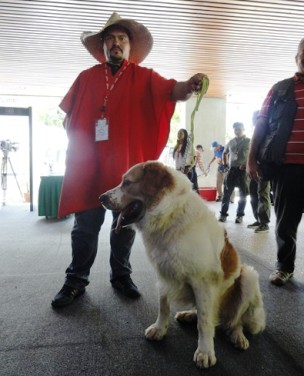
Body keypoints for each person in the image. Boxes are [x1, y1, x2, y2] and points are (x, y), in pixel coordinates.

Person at [51, 12, 207, 308]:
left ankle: (121, 276)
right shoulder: (86, 77)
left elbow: (173, 90)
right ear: (103, 46)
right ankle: (75, 280)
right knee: (85, 226)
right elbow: (68, 117)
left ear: (129, 45)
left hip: (125, 170)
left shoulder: (145, 76)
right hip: (89, 168)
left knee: (123, 226)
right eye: (110, 38)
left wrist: (190, 85)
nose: (116, 43)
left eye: (121, 38)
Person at [247, 38, 304, 286]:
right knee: (285, 221)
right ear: (297, 58)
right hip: (287, 166)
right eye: (303, 52)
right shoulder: (280, 89)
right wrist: (251, 159)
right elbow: (261, 124)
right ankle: (284, 267)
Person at [218, 122, 250, 224]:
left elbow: (253, 155)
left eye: (239, 129)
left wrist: (246, 165)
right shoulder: (231, 142)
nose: (237, 131)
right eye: (235, 129)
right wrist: (225, 164)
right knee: (226, 194)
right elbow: (224, 153)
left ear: (243, 129)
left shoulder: (249, 141)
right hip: (231, 171)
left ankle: (239, 216)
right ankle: (223, 214)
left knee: (242, 195)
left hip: (243, 171)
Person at [247, 111, 271, 234]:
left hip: (264, 166)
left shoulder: (268, 132)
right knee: (253, 193)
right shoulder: (255, 134)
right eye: (254, 118)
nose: (255, 120)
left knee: (263, 193)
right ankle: (258, 219)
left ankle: (264, 222)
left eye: (257, 118)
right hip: (253, 167)